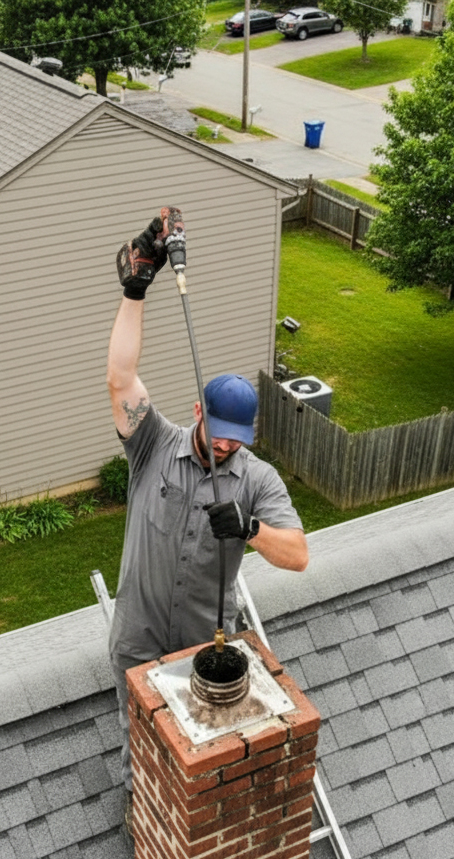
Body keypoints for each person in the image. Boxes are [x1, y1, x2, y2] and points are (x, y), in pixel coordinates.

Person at [107, 210, 308, 827]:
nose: (225, 448)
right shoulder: (153, 445)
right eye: (218, 434)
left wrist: (248, 530)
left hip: (203, 646)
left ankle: (185, 815)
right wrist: (136, 290)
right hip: (138, 636)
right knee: (138, 733)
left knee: (198, 742)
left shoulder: (257, 479)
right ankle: (142, 802)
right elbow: (120, 376)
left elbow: (297, 554)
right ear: (198, 411)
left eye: (236, 440)